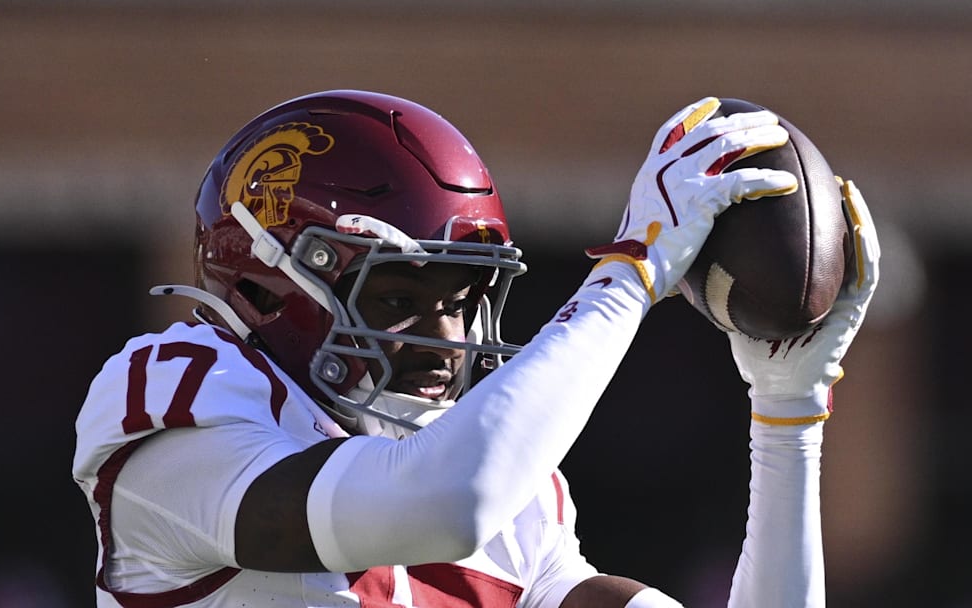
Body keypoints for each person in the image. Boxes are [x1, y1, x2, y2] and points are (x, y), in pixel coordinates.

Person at [72, 90, 880, 607]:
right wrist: (630, 274)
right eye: (397, 300)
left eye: (461, 302)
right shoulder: (182, 396)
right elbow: (443, 503)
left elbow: (463, 488)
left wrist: (787, 416)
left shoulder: (507, 491)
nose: (444, 342)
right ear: (266, 286)